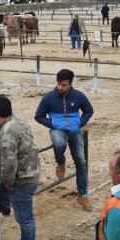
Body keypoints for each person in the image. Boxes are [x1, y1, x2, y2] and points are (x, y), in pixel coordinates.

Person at [34, 69, 94, 211]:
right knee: (59, 143)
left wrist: (80, 122)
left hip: (74, 130)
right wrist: (53, 124)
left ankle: (83, 195)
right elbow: (38, 116)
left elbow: (89, 110)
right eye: (59, 84)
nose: (60, 87)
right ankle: (60, 161)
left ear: (70, 84)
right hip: (57, 130)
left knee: (81, 161)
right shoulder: (49, 98)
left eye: (64, 85)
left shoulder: (79, 96)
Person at [0, 95, 41, 240]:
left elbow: (9, 163)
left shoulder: (6, 132)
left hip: (22, 180)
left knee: (25, 219)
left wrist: (8, 184)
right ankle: (5, 204)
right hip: (31, 173)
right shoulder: (20, 122)